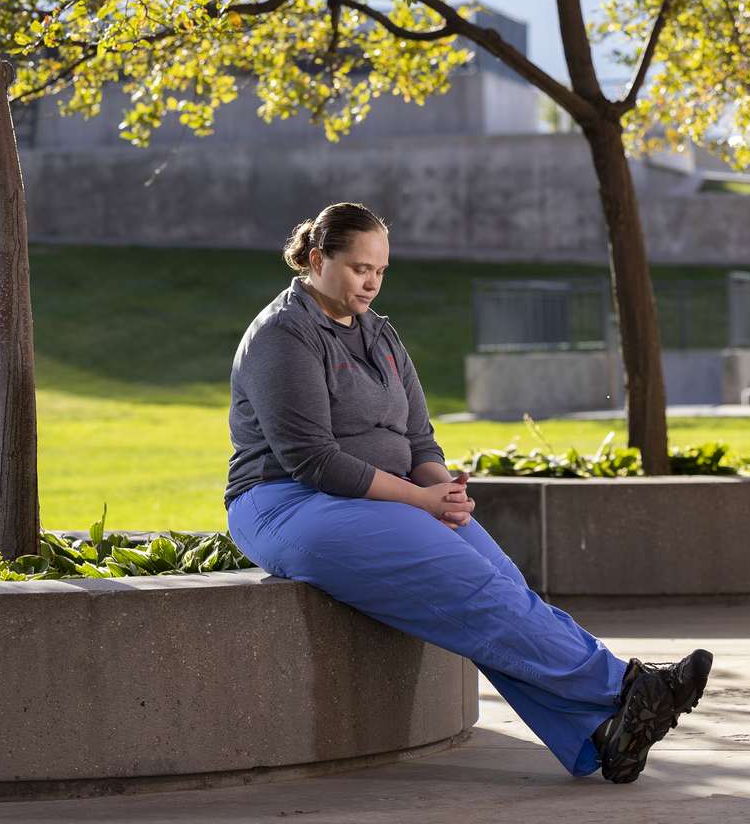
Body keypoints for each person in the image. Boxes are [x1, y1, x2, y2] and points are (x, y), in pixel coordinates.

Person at [223, 201, 712, 784]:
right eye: (359, 268)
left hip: (385, 497)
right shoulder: (284, 333)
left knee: (499, 578)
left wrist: (442, 489)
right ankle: (627, 688)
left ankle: (606, 732)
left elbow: (418, 439)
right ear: (314, 258)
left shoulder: (380, 334)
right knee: (471, 584)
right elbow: (313, 460)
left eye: (380, 269)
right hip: (285, 503)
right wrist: (419, 502)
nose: (372, 282)